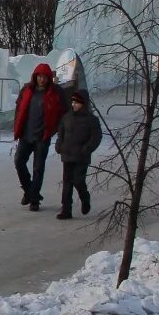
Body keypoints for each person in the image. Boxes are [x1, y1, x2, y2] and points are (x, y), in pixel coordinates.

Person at [13, 62, 65, 211]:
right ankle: (29, 190)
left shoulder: (56, 93)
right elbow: (19, 108)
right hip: (26, 134)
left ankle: (34, 199)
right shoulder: (27, 90)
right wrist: (17, 125)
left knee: (38, 167)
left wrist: (55, 130)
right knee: (19, 161)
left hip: (42, 135)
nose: (41, 80)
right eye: (39, 77)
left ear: (49, 78)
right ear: (35, 77)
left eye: (44, 77)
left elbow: (63, 112)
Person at [53, 91, 102, 220]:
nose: (74, 104)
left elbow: (96, 137)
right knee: (67, 183)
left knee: (78, 180)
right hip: (67, 154)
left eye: (77, 102)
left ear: (83, 104)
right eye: (73, 102)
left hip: (81, 156)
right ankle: (66, 209)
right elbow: (61, 133)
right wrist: (59, 145)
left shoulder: (92, 120)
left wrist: (87, 149)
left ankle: (84, 197)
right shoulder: (67, 117)